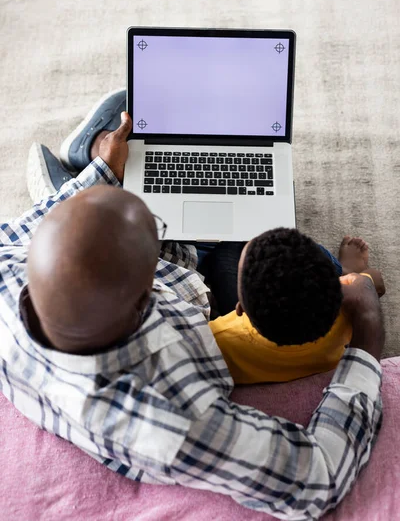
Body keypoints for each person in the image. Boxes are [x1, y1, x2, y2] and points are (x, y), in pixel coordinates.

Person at [1, 91, 384, 520]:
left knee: (110, 198)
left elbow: (40, 224)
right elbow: (320, 476)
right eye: (157, 231)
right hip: (195, 307)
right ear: (144, 303)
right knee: (262, 246)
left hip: (152, 284)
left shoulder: (9, 268)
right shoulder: (173, 420)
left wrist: (105, 171)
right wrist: (368, 332)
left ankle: (90, 159)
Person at [208, 228, 386, 383]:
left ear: (240, 309)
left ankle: (340, 269)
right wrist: (352, 280)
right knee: (297, 255)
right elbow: (376, 281)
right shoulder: (347, 312)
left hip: (249, 350)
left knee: (224, 252)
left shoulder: (216, 339)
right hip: (317, 351)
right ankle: (342, 269)